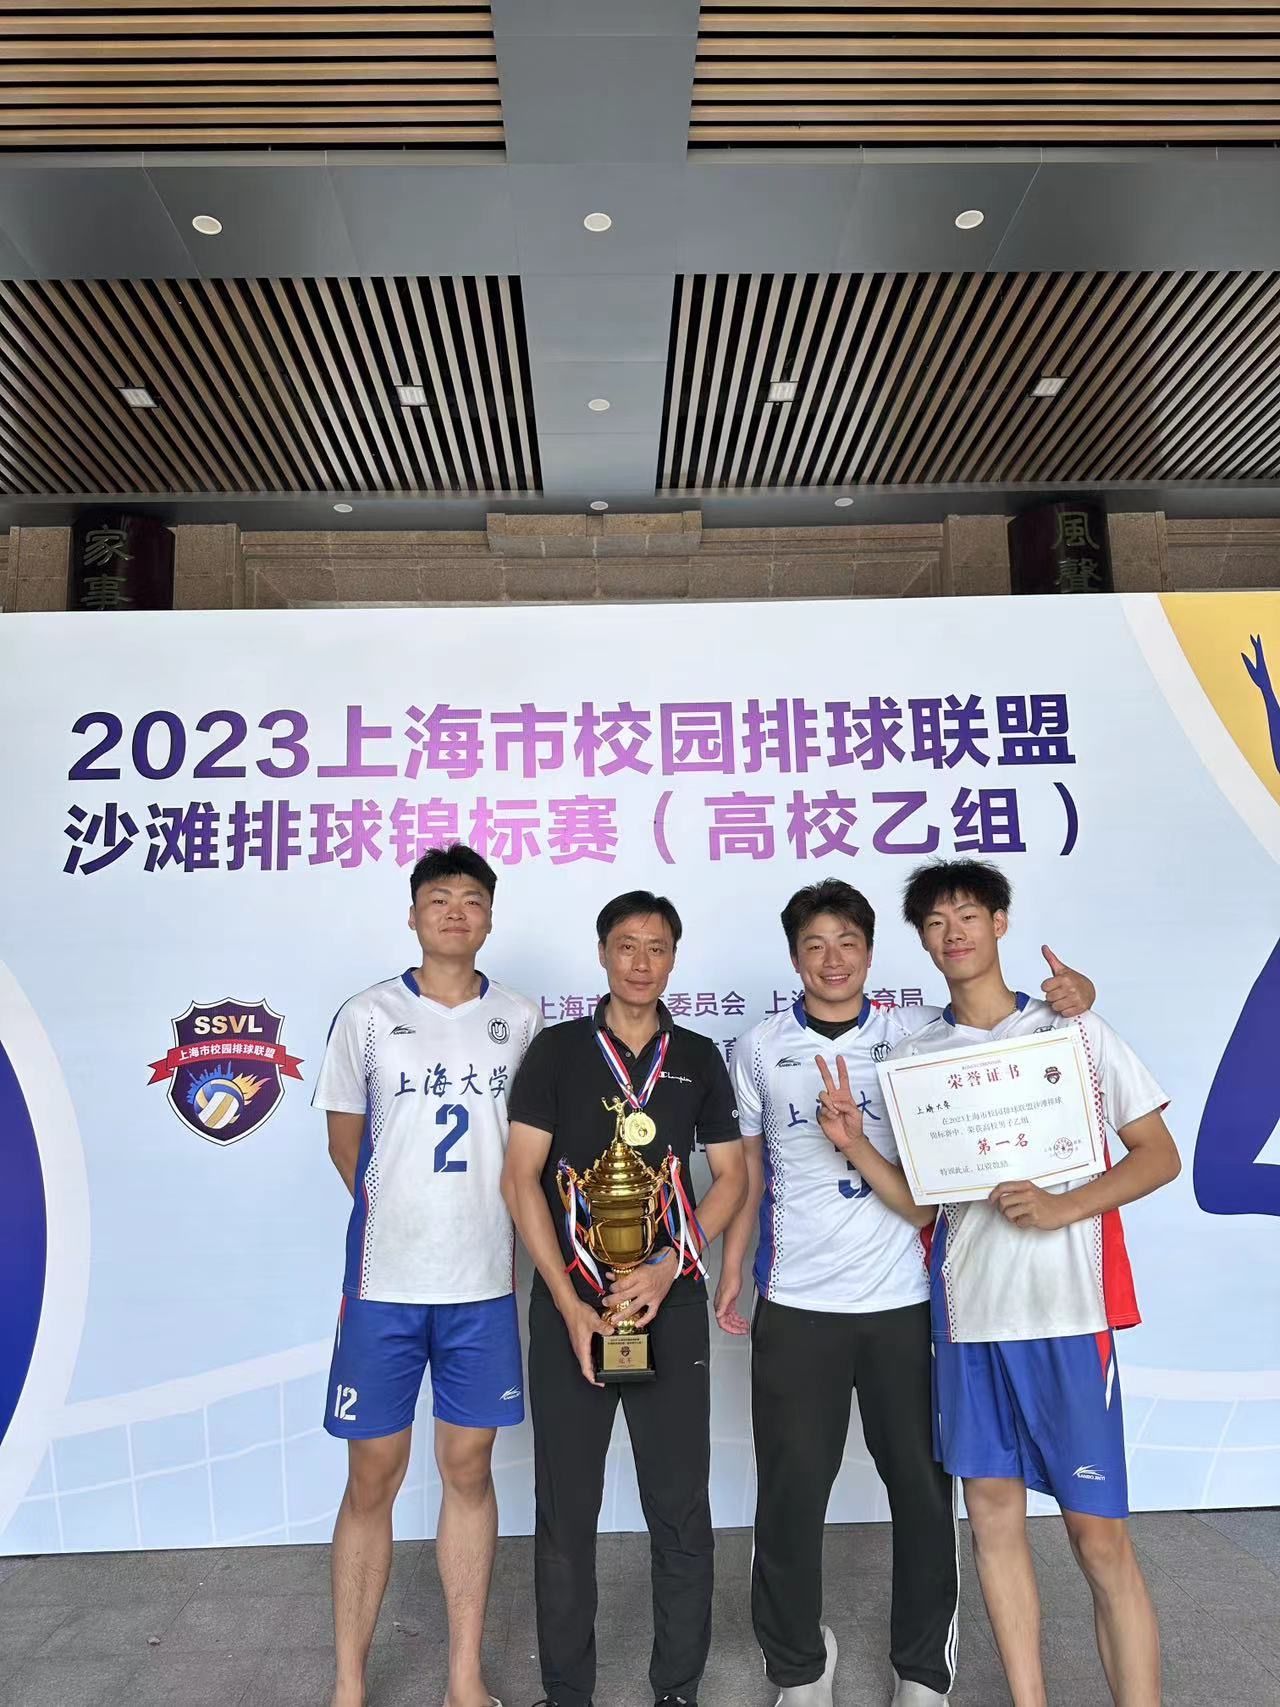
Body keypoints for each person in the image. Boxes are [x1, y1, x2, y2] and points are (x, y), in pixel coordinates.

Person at [718, 878, 1095, 1707]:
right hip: (798, 1303)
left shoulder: (917, 1034)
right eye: (815, 945)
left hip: (906, 1304)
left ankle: (922, 1669)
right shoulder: (758, 1049)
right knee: (790, 1495)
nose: (833, 959)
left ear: (871, 951)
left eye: (848, 942)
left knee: (924, 1494)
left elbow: (1009, 1028)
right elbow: (747, 1175)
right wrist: (734, 1265)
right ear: (794, 957)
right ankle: (799, 1667)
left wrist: (1080, 996)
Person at [817, 859, 1179, 1707]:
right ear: (922, 940)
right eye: (936, 922)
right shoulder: (917, 1057)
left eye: (969, 915)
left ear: (1000, 922)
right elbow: (923, 1205)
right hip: (970, 1323)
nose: (954, 933)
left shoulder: (1073, 1029)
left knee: (1098, 1540)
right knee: (991, 1522)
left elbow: (1159, 1155)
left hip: (1067, 1315)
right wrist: (856, 1145)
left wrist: (1064, 1206)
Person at [501, 890, 747, 1707]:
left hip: (667, 1305)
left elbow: (732, 1176)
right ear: (603, 952)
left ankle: (676, 1687)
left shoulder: (698, 1056)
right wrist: (568, 1301)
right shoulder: (557, 1051)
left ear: (674, 957)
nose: (641, 962)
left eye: (657, 947)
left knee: (678, 1507)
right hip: (571, 1306)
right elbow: (520, 1178)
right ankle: (566, 1691)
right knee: (565, 1511)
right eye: (627, 945)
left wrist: (672, 1262)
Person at [313, 844, 542, 1707]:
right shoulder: (367, 1015)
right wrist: (408, 1213)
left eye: (471, 898)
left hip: (483, 1284)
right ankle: (348, 1683)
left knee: (469, 1469)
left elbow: (534, 1148)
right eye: (438, 897)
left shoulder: (520, 1018)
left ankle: (463, 1678)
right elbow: (346, 1143)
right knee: (372, 1472)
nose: (455, 911)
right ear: (412, 914)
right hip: (384, 1285)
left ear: (490, 916)